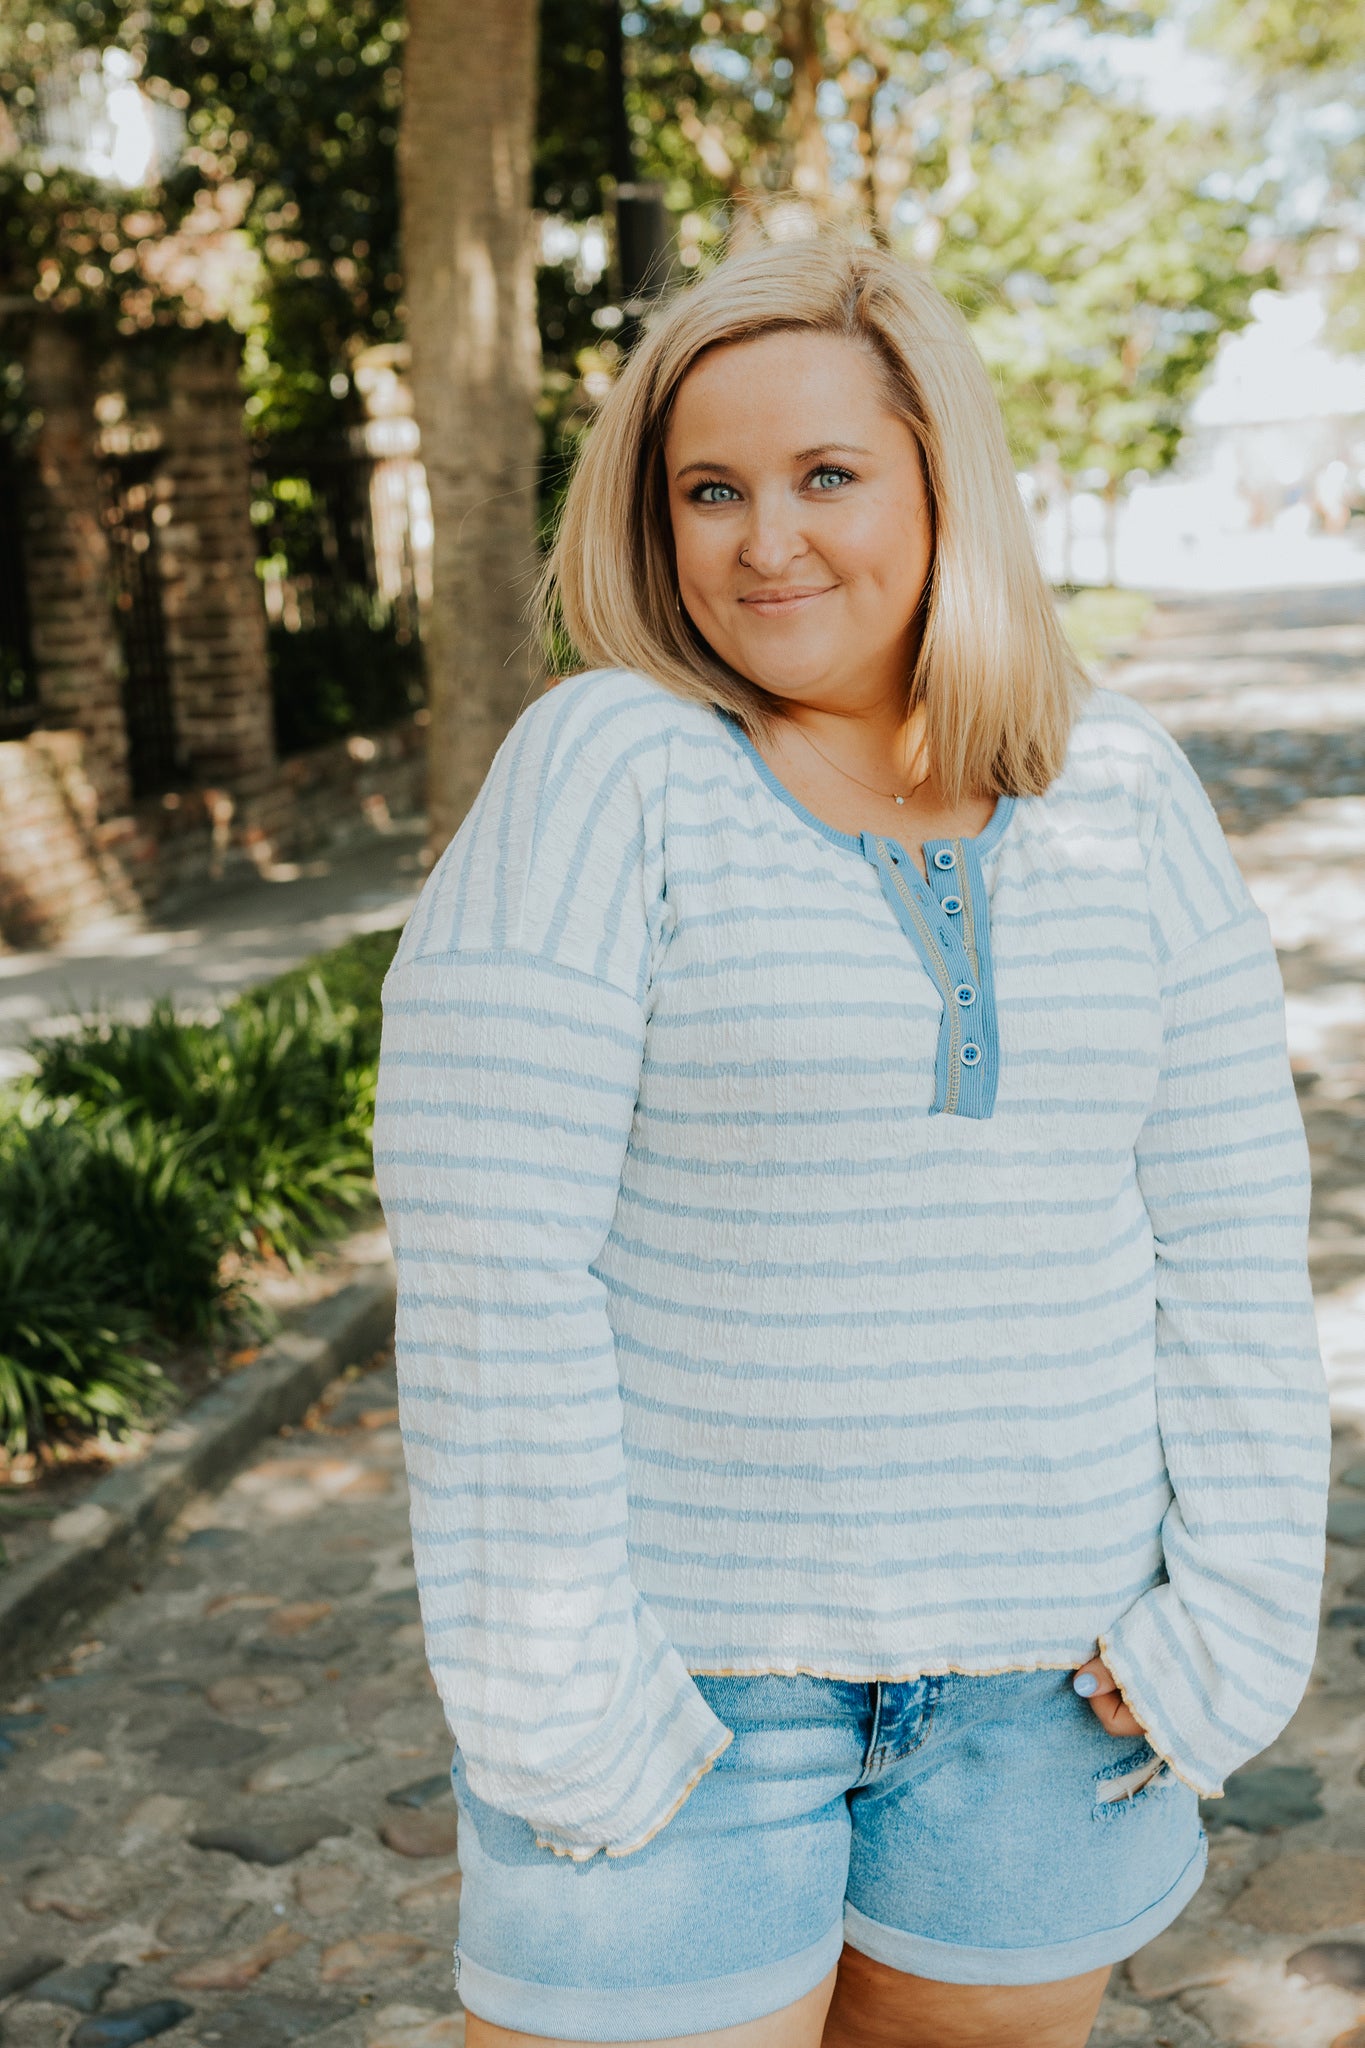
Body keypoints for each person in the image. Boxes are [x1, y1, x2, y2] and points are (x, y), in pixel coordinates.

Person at [372, 231, 1328, 2048]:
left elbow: (1223, 1234)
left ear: (939, 485)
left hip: (1055, 1704)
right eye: (706, 489)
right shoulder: (609, 769)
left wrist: (1237, 1605)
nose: (763, 540)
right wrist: (557, 1693)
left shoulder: (1121, 786)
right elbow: (495, 1255)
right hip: (689, 1702)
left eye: (826, 476)